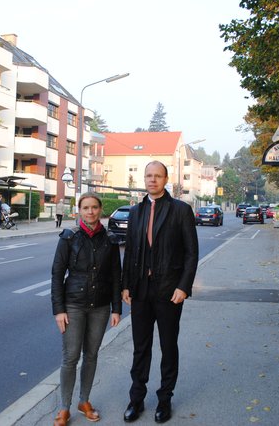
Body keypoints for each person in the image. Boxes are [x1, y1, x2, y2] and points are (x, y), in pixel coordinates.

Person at [121, 160, 199, 424]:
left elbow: (191, 253)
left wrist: (183, 287)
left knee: (168, 347)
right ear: (144, 179)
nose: (152, 180)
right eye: (148, 176)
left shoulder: (180, 210)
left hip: (169, 292)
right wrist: (126, 285)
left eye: (157, 176)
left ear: (166, 179)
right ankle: (136, 400)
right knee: (140, 348)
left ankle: (164, 400)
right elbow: (130, 251)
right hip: (141, 291)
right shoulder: (136, 211)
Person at [51, 192, 122, 426]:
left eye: (94, 207)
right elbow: (57, 274)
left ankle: (84, 401)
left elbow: (115, 276)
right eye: (86, 208)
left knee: (91, 355)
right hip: (73, 306)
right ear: (79, 211)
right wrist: (58, 310)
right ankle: (64, 408)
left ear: (100, 210)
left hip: (100, 307)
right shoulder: (69, 237)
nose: (90, 212)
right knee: (70, 357)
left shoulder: (110, 239)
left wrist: (116, 308)